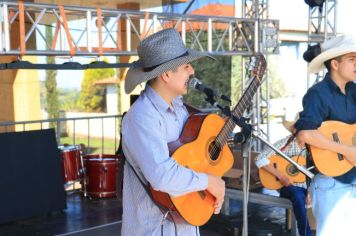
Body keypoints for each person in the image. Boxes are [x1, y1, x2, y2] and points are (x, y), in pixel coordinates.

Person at [120, 28, 226, 236]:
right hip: (153, 230)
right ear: (167, 74)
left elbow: (188, 159)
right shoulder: (142, 116)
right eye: (186, 66)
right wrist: (210, 182)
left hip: (184, 226)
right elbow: (161, 175)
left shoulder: (179, 109)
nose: (192, 72)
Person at [295, 35, 356, 236]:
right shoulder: (317, 94)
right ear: (335, 64)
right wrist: (346, 150)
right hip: (330, 181)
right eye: (352, 59)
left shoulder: (354, 91)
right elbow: (305, 133)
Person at [255, 114, 312, 236]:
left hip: (307, 187)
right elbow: (259, 159)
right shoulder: (286, 142)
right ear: (295, 129)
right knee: (297, 195)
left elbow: (315, 171)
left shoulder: (312, 146)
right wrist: (281, 176)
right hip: (286, 186)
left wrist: (311, 190)